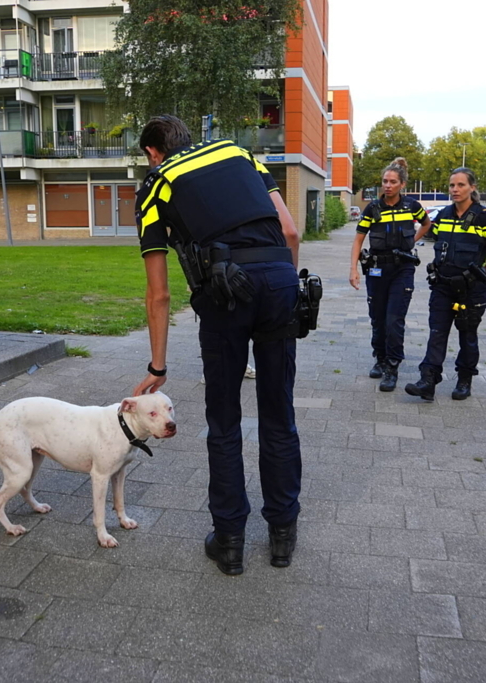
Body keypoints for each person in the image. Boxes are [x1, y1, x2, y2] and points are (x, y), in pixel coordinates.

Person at [131, 115, 302, 576]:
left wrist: (158, 366)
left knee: (224, 421)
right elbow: (289, 232)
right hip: (279, 281)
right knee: (278, 413)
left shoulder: (156, 184)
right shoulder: (239, 152)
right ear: (189, 139)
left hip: (224, 294)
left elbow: (159, 293)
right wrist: (288, 287)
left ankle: (230, 542)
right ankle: (283, 535)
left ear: (152, 152)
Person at [405, 167, 486, 401]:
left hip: (471, 290)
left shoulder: (484, 216)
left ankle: (464, 380)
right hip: (443, 286)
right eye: (452, 185)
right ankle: (428, 380)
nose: (455, 190)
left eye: (460, 185)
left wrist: (480, 275)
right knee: (437, 332)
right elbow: (437, 242)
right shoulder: (444, 215)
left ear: (472, 188)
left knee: (467, 334)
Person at [349, 158, 431, 392]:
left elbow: (426, 224)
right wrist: (353, 269)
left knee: (394, 319)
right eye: (385, 181)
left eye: (393, 182)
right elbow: (358, 239)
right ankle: (380, 358)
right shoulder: (373, 208)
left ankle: (392, 367)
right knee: (377, 317)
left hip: (402, 269)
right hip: (376, 269)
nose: (388, 185)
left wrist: (410, 243)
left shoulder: (412, 206)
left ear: (402, 184)